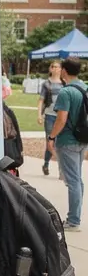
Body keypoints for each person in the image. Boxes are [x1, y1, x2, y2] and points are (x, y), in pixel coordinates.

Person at [48, 57, 87, 230]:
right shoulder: (85, 88)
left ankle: (73, 220)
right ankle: (75, 217)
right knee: (77, 180)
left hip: (67, 140)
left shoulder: (66, 92)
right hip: (82, 139)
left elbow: (61, 119)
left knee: (73, 181)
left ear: (64, 71)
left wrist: (51, 137)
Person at [38, 60, 64, 177]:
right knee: (50, 142)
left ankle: (61, 169)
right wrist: (39, 115)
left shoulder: (64, 84)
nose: (54, 68)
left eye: (57, 67)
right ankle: (46, 164)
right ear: (50, 69)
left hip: (62, 117)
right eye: (52, 66)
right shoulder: (46, 84)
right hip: (49, 116)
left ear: (61, 69)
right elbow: (41, 100)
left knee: (60, 143)